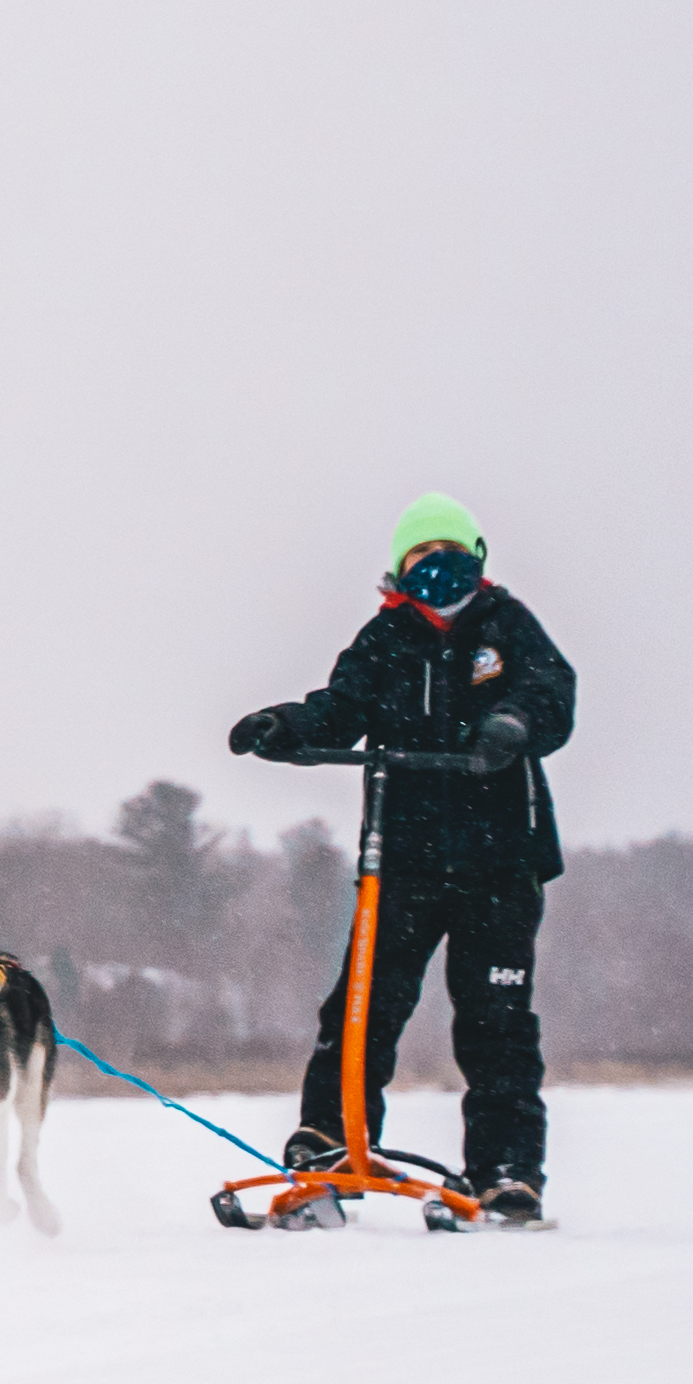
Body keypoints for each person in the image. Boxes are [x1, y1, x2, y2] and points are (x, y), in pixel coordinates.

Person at [228, 492, 578, 1222]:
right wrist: (284, 726)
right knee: (361, 1007)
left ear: (475, 563)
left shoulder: (506, 626)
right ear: (399, 571)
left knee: (495, 1020)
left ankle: (507, 1170)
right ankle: (329, 1142)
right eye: (421, 558)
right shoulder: (384, 639)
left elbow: (552, 694)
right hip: (405, 860)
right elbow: (340, 708)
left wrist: (512, 722)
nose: (436, 570)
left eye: (450, 555)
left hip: (500, 864)